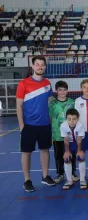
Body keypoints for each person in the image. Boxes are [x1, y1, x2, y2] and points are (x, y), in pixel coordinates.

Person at [16, 56, 56, 192]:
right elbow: (19, 106)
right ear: (33, 66)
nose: (40, 67)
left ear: (45, 67)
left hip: (45, 124)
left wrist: (50, 119)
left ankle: (45, 176)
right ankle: (27, 180)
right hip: (29, 125)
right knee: (26, 152)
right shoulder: (23, 84)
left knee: (45, 150)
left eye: (42, 64)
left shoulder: (47, 83)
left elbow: (50, 101)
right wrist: (21, 125)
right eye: (37, 64)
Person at [49, 80, 76, 184]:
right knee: (58, 155)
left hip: (70, 134)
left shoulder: (72, 102)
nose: (62, 92)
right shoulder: (52, 104)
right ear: (56, 91)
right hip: (57, 135)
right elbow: (50, 118)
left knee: (71, 154)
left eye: (64, 90)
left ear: (67, 91)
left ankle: (73, 173)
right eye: (60, 90)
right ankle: (60, 174)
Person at [60, 108, 87, 190]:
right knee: (67, 158)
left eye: (74, 119)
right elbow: (66, 140)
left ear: (77, 119)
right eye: (69, 119)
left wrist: (79, 151)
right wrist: (67, 152)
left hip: (79, 142)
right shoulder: (63, 126)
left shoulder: (80, 125)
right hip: (70, 142)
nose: (72, 121)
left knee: (80, 157)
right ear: (66, 119)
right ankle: (69, 180)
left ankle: (82, 180)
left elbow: (79, 139)